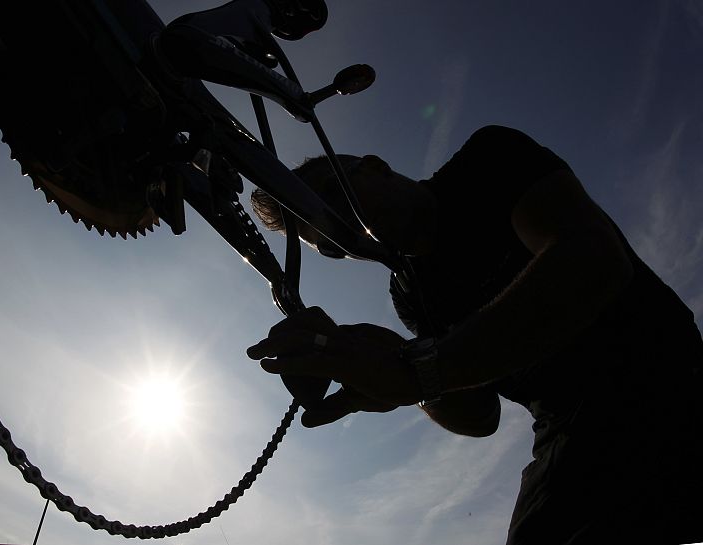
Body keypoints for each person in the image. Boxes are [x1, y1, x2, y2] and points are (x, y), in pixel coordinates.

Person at [245, 125, 703, 544]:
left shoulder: (486, 162)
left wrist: (419, 370)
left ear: (376, 167)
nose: (342, 231)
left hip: (659, 370)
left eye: (333, 196)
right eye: (328, 243)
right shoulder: (410, 293)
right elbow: (480, 415)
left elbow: (592, 259)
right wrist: (406, 370)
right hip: (567, 433)